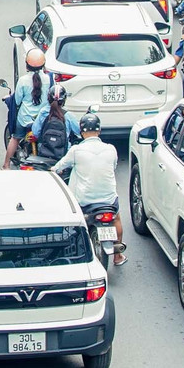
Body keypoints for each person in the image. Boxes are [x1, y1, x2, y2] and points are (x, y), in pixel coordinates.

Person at [52, 113, 127, 267]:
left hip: (85, 201)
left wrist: (52, 169)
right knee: (117, 219)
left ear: (82, 132)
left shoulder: (76, 150)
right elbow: (113, 167)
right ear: (99, 131)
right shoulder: (111, 149)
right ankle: (118, 255)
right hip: (108, 200)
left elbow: (59, 167)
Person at [4, 49, 52, 167]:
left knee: (15, 138)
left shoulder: (23, 80)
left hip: (25, 120)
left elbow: (17, 100)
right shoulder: (49, 78)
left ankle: (5, 165)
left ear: (27, 64)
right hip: (42, 120)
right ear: (43, 64)